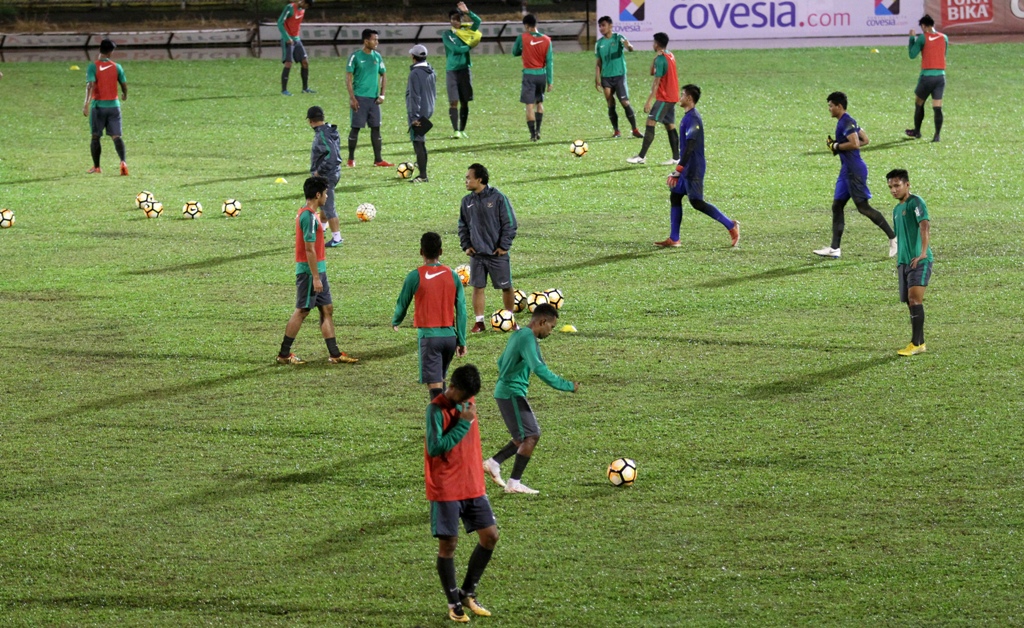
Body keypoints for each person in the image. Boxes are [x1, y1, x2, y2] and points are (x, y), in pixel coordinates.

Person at [424, 363, 498, 623]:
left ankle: (468, 592)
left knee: (490, 536)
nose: (467, 401)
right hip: (446, 487)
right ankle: (453, 603)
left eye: (470, 397)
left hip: (472, 483)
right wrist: (464, 425)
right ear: (451, 387)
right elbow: (435, 448)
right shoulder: (435, 410)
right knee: (449, 545)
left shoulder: (466, 399)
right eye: (463, 395)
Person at [483, 304, 578, 495]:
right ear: (542, 321)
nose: (550, 332)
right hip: (511, 392)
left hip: (506, 390)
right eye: (551, 327)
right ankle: (513, 483)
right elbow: (539, 368)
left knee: (521, 437)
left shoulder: (519, 334)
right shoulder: (528, 338)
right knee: (532, 435)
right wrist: (566, 385)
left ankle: (493, 463)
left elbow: (501, 361)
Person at [276, 176, 358, 365]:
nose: (327, 196)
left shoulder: (309, 214)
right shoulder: (307, 217)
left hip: (318, 270)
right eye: (326, 193)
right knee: (302, 311)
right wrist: (315, 277)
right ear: (318, 194)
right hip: (309, 273)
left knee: (326, 309)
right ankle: (283, 354)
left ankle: (335, 354)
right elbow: (309, 249)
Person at [813, 92, 898, 259]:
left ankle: (894, 238)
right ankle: (835, 248)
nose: (829, 109)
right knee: (837, 206)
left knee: (863, 208)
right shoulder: (848, 122)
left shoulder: (846, 121)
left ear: (839, 106)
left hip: (854, 171)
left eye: (831, 106)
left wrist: (837, 146)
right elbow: (865, 139)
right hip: (847, 170)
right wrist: (841, 147)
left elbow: (856, 143)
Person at [658, 85, 740, 248]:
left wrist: (678, 170)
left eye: (682, 95)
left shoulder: (693, 119)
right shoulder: (688, 117)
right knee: (675, 195)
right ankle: (674, 238)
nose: (679, 98)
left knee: (696, 202)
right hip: (687, 167)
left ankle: (731, 225)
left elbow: (690, 147)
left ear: (689, 98)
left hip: (693, 168)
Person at [393, 232, 468, 400]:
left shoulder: (416, 275)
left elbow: (402, 301)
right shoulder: (453, 275)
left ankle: (442, 422)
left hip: (430, 338)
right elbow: (462, 310)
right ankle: (446, 419)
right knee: (440, 382)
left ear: (421, 251)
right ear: (440, 251)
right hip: (449, 338)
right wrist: (461, 340)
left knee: (435, 390)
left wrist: (396, 320)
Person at [458, 163, 518, 333]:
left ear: (480, 179)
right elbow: (462, 225)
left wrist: (504, 246)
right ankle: (479, 322)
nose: (466, 181)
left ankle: (510, 319)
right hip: (477, 255)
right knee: (478, 287)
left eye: (469, 177)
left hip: (497, 254)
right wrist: (467, 245)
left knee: (506, 286)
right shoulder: (467, 201)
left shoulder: (498, 198)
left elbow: (510, 223)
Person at [886, 169, 933, 356]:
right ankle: (920, 343)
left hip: (919, 260)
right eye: (890, 187)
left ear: (907, 184)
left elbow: (925, 226)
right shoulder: (896, 210)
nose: (893, 190)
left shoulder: (916, 202)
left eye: (897, 185)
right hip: (904, 262)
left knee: (915, 299)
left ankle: (915, 344)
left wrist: (922, 253)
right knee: (909, 302)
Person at [627, 32, 679, 166]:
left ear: (656, 44)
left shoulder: (660, 59)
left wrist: (649, 101)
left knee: (650, 122)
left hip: (665, 97)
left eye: (653, 42)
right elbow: (652, 72)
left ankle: (641, 156)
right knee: (669, 125)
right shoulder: (670, 55)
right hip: (673, 96)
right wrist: (655, 58)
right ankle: (676, 158)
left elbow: (656, 81)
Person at [345, 29, 393, 168]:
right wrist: (352, 98)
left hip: (374, 100)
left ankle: (378, 160)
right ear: (366, 41)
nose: (377, 42)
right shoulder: (355, 56)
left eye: (377, 39)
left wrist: (382, 94)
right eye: (374, 40)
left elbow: (384, 75)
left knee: (376, 128)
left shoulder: (377, 57)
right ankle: (350, 159)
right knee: (355, 128)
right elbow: (348, 78)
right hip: (359, 98)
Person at [83, 39, 129, 176]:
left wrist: (86, 104)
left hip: (98, 106)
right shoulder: (117, 67)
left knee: (95, 136)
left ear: (100, 49)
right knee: (116, 136)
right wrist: (124, 94)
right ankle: (123, 162)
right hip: (114, 106)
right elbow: (124, 84)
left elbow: (90, 85)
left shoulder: (93, 67)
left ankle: (97, 167)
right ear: (111, 52)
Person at [595, 15, 641, 139]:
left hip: (619, 75)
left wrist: (629, 46)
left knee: (624, 102)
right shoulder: (599, 43)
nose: (601, 28)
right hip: (606, 77)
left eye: (603, 25)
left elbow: (629, 48)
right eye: (600, 26)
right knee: (610, 103)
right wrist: (597, 78)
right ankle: (616, 131)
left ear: (610, 26)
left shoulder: (618, 37)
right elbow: (598, 62)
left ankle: (635, 129)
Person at [905, 14, 948, 142]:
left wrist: (912, 38)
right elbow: (944, 53)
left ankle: (917, 131)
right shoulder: (944, 37)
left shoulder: (923, 38)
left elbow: (912, 55)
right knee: (937, 107)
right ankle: (937, 136)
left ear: (924, 26)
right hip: (940, 77)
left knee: (919, 103)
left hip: (927, 77)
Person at [442, 2, 481, 139]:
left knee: (465, 101)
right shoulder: (447, 34)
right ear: (450, 20)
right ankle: (455, 130)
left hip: (465, 70)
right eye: (453, 19)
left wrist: (468, 11)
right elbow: (456, 50)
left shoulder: (466, 31)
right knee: (454, 101)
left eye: (458, 19)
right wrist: (470, 46)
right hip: (452, 71)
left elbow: (478, 21)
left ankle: (462, 129)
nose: (456, 22)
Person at [511, 14, 552, 142]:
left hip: (529, 75)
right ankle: (538, 130)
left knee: (529, 106)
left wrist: (524, 50)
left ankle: (533, 134)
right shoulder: (547, 40)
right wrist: (550, 81)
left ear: (527, 26)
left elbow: (514, 52)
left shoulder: (522, 38)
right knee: (539, 102)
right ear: (536, 24)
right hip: (541, 75)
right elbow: (549, 61)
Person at [306, 106, 343, 248]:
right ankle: (321, 231)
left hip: (326, 175)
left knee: (328, 206)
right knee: (322, 204)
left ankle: (337, 238)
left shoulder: (322, 134)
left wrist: (319, 171)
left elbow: (332, 155)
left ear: (310, 121)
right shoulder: (330, 130)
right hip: (334, 172)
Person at [405, 44, 436, 184]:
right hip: (428, 110)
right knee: (420, 143)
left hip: (418, 113)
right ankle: (420, 166)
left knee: (418, 143)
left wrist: (414, 117)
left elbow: (414, 96)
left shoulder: (415, 74)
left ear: (413, 57)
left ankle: (423, 175)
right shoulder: (431, 71)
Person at [277, 0, 314, 96]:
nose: (306, 7)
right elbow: (280, 22)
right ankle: (284, 90)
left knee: (305, 62)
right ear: (303, 2)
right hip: (288, 40)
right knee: (288, 63)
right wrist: (287, 37)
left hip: (297, 40)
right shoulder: (290, 8)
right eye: (306, 5)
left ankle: (305, 88)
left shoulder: (302, 10)